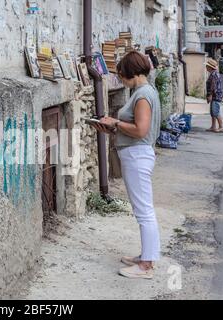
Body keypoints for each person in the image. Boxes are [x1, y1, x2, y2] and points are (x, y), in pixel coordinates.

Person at [90, 51, 161, 279]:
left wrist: (115, 122)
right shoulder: (144, 92)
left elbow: (140, 130)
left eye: (121, 75)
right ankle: (146, 257)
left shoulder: (142, 95)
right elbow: (135, 127)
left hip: (137, 155)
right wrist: (114, 127)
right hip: (137, 153)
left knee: (144, 211)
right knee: (144, 209)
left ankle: (146, 267)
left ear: (131, 72)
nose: (120, 79)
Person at [206, 58, 223, 133]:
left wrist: (210, 95)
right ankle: (213, 126)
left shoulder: (214, 74)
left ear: (210, 67)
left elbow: (213, 86)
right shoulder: (213, 73)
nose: (206, 67)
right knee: (212, 112)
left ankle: (221, 127)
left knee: (215, 111)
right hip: (215, 95)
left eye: (207, 66)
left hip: (215, 95)